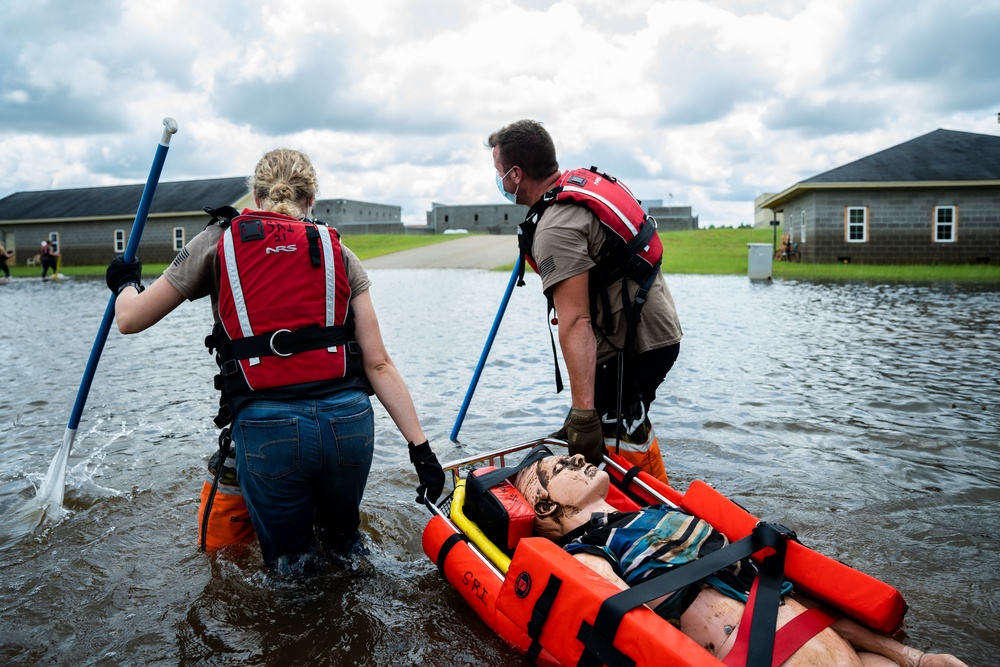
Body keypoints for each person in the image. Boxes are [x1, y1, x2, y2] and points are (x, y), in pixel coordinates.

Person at [106, 148, 445, 573]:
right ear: (312, 200)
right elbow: (378, 365)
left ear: (256, 195)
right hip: (349, 423)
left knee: (291, 572)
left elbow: (130, 319)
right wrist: (421, 451)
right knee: (346, 548)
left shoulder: (217, 240)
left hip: (269, 429)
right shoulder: (337, 249)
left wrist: (124, 282)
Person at [513, 453, 969, 667]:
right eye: (560, 469)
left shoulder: (657, 513)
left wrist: (914, 657)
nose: (576, 457)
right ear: (548, 508)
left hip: (814, 634)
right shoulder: (588, 553)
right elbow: (632, 626)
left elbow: (788, 595)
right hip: (754, 655)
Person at [487, 120, 682, 483]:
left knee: (617, 440)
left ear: (516, 175)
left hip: (633, 345)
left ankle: (652, 512)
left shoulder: (556, 228)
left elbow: (575, 321)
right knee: (621, 426)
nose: (497, 179)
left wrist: (583, 414)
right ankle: (637, 498)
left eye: (498, 171)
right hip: (656, 330)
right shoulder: (566, 192)